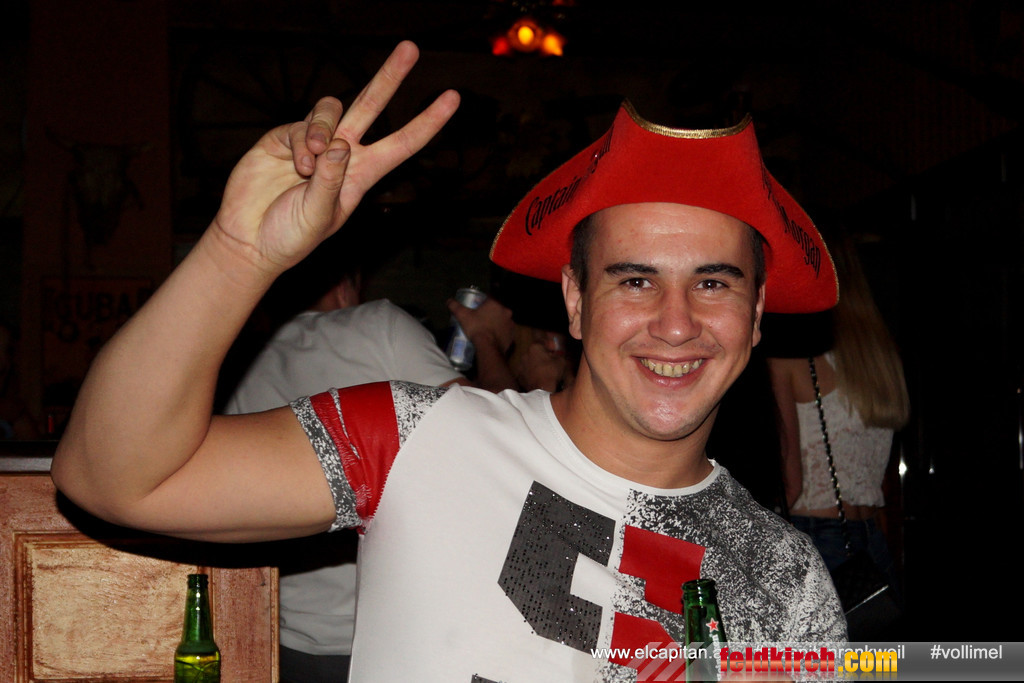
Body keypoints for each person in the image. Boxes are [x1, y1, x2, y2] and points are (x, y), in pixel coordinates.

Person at [51, 41, 845, 681]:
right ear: (574, 301)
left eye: (713, 282)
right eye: (634, 280)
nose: (675, 323)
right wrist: (236, 255)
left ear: (756, 315)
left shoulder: (786, 579)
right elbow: (112, 476)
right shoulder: (416, 437)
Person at [224, 222, 525, 682]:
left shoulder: (240, 364)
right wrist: (486, 338)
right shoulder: (377, 325)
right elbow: (501, 443)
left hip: (287, 642)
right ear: (347, 284)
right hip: (391, 640)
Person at [767, 229, 910, 581]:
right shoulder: (880, 355)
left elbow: (791, 486)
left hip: (817, 536)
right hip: (872, 539)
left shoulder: (791, 356)